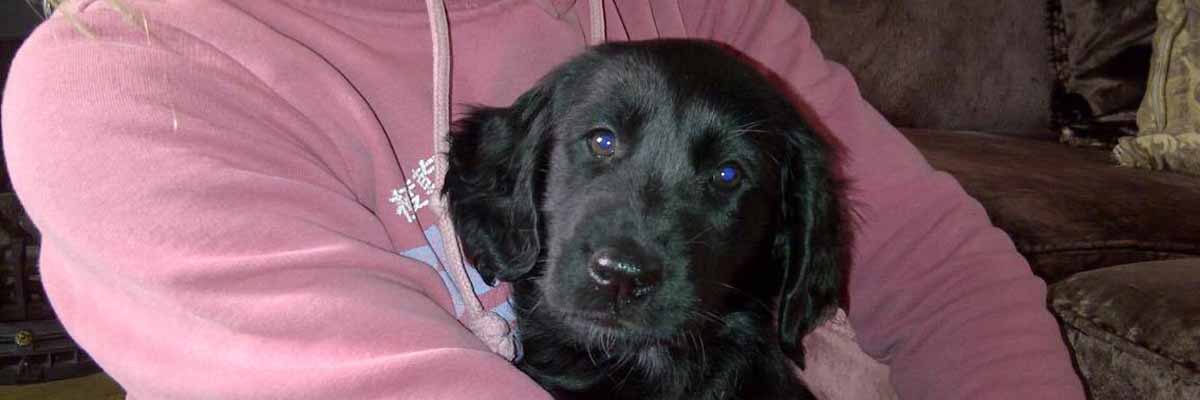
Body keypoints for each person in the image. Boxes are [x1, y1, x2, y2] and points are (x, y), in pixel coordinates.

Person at [2, 0, 1086, 399]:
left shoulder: (707, 16)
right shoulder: (125, 75)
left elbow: (942, 274)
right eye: (600, 144)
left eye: (719, 179)